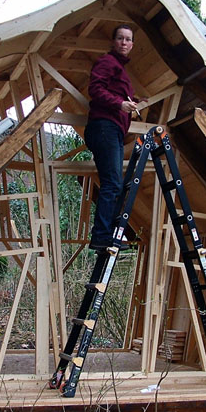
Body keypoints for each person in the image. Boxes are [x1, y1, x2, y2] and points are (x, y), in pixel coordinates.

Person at [84, 24, 138, 251]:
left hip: (110, 129)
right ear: (113, 41)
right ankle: (102, 236)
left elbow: (112, 91)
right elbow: (95, 89)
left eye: (128, 40)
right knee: (112, 183)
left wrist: (133, 100)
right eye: (120, 38)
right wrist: (120, 103)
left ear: (132, 45)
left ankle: (105, 234)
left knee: (114, 183)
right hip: (105, 126)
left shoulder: (120, 70)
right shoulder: (108, 62)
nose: (124, 43)